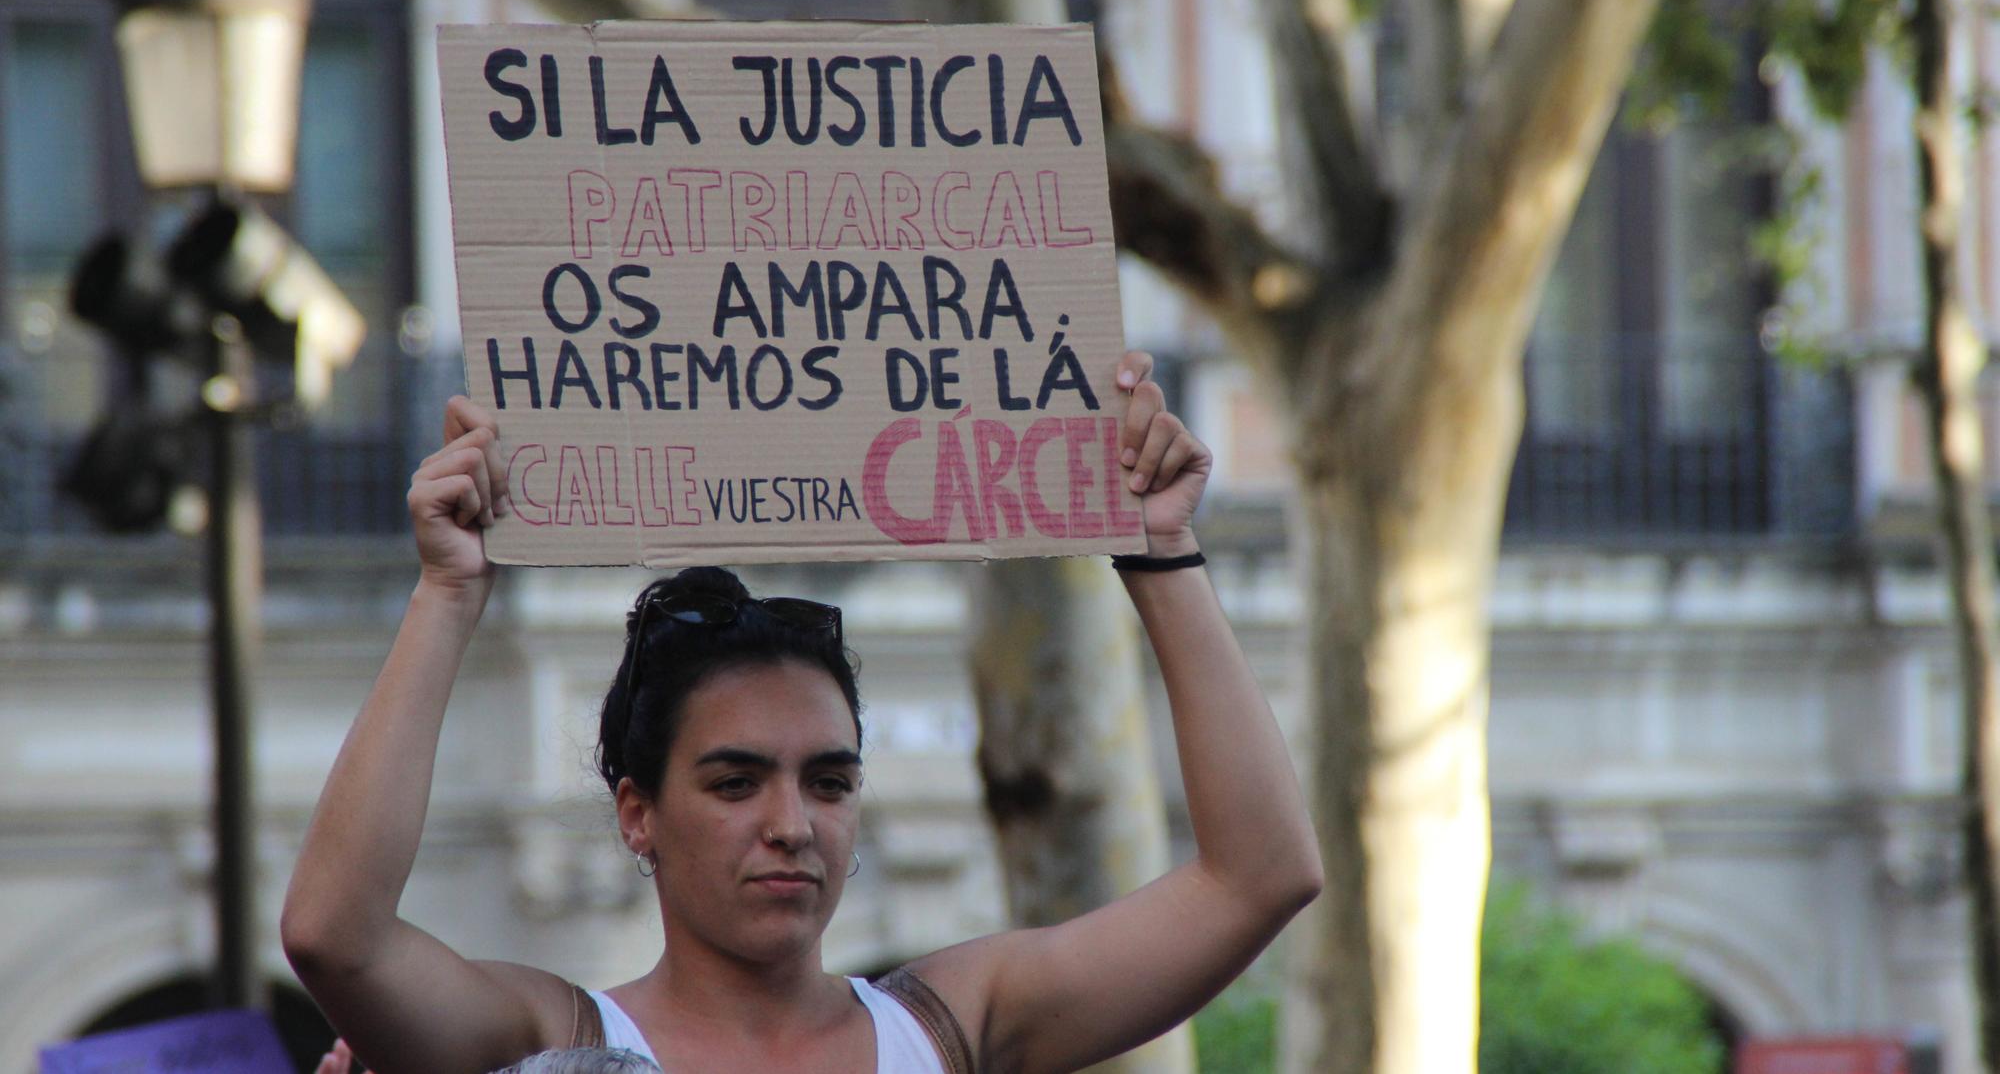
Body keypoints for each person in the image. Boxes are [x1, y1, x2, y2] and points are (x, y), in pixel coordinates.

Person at [281, 351, 1323, 1074]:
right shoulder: (549, 1039)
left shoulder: (953, 1030)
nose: (791, 823)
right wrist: (446, 596)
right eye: (734, 782)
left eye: (829, 780)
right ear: (635, 812)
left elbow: (1259, 876)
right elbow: (334, 936)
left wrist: (1162, 557)